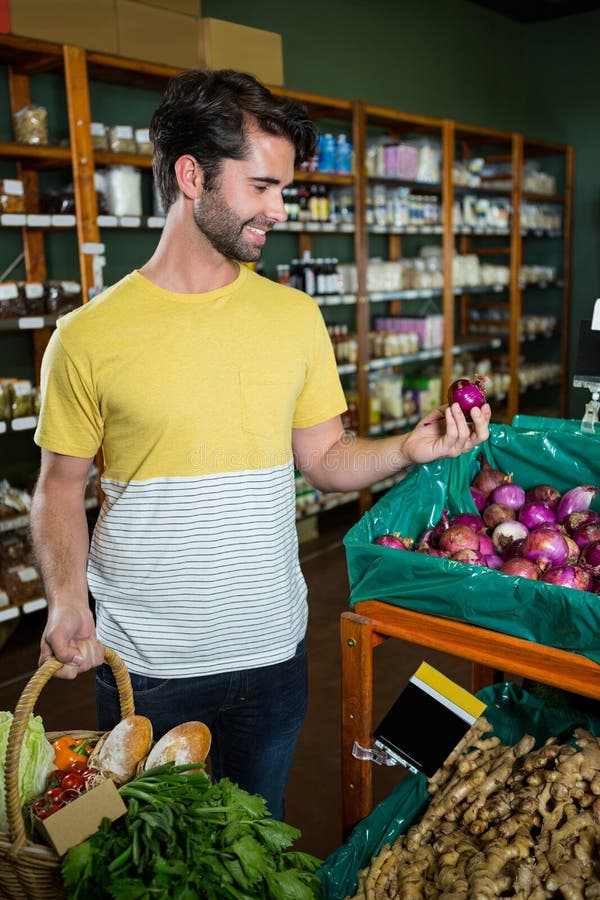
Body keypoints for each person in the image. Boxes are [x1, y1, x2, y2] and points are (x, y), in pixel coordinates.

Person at [30, 68, 491, 821]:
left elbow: (326, 459)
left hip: (274, 657)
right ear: (191, 176)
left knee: (255, 845)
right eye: (262, 187)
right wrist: (61, 599)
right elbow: (56, 488)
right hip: (149, 668)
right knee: (153, 860)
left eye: (284, 190)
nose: (279, 209)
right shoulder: (87, 337)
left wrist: (409, 449)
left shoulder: (294, 317)